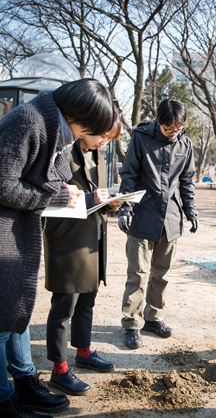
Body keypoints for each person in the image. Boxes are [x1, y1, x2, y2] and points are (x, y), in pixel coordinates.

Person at [0, 79, 116, 418]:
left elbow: (45, 175)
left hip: (14, 235)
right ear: (80, 115)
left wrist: (64, 181)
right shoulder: (29, 121)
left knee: (16, 316)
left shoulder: (50, 125)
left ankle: (24, 381)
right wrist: (57, 196)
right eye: (92, 130)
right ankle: (3, 401)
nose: (88, 138)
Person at [43, 116, 121, 396]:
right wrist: (92, 200)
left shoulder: (97, 155)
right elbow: (50, 197)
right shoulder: (61, 152)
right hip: (68, 240)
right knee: (64, 306)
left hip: (93, 237)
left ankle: (84, 351)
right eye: (103, 135)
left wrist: (110, 203)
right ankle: (59, 370)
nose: (104, 142)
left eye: (110, 139)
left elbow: (97, 195)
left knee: (88, 299)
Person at [117, 98, 198, 349]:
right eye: (168, 129)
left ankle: (154, 317)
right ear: (158, 122)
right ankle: (131, 323)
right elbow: (129, 174)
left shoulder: (186, 144)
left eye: (178, 128)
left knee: (161, 274)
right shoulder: (141, 137)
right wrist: (125, 208)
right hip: (142, 214)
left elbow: (188, 181)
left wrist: (191, 211)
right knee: (138, 273)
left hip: (171, 217)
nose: (173, 133)